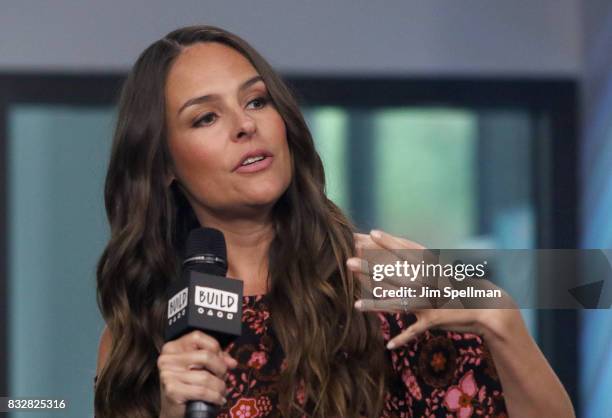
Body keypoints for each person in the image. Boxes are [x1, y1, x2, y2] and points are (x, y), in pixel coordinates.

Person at [94, 25, 575, 418]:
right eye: (205, 118)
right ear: (164, 167)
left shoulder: (376, 280)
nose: (246, 125)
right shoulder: (141, 329)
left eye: (257, 101)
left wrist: (503, 320)